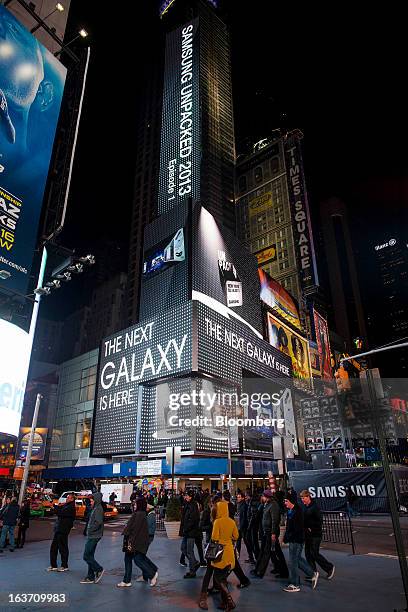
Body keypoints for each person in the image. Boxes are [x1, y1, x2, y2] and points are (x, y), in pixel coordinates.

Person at [117, 496, 158, 588]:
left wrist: (130, 541)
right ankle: (127, 580)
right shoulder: (142, 514)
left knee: (135, 560)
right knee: (133, 559)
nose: (134, 505)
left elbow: (134, 529)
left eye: (135, 504)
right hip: (136, 541)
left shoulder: (138, 514)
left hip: (133, 542)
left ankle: (151, 574)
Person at [282, 492, 318, 593]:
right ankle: (312, 574)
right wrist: (286, 537)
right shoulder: (291, 510)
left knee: (293, 562)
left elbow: (297, 529)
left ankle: (295, 584)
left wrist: (288, 537)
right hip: (294, 539)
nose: (285, 503)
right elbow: (289, 527)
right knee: (297, 560)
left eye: (286, 501)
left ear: (291, 501)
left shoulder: (297, 512)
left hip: (297, 540)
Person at [251, 490, 288, 579]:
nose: (262, 498)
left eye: (263, 496)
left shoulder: (273, 505)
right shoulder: (267, 504)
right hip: (267, 532)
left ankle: (260, 571)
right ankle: (282, 571)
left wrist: (273, 533)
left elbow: (275, 521)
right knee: (275, 552)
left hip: (270, 533)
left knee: (266, 552)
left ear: (266, 496)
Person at [300, 489, 335, 580]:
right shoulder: (305, 507)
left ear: (308, 497)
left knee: (314, 553)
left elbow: (319, 522)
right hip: (307, 535)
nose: (302, 500)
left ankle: (329, 567)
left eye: (303, 498)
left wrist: (311, 528)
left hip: (315, 535)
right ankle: (313, 573)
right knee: (308, 554)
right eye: (301, 498)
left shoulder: (315, 507)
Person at [211, 499, 239, 611]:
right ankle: (224, 603)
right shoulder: (232, 521)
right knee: (223, 578)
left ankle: (230, 602)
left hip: (220, 554)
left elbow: (214, 538)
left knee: (218, 578)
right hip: (229, 552)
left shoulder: (217, 522)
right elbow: (236, 536)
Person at [80, 493, 105, 584]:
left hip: (94, 536)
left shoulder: (98, 509)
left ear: (96, 500)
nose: (90, 502)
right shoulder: (95, 508)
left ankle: (99, 569)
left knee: (86, 556)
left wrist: (90, 530)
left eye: (92, 500)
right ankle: (90, 577)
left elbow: (98, 522)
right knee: (90, 556)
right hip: (93, 535)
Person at [47, 493, 76, 571]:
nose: (67, 499)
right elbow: (60, 510)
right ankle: (54, 565)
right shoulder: (67, 505)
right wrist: (55, 506)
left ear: (72, 499)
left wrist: (54, 508)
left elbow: (60, 513)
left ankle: (64, 565)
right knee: (54, 547)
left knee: (62, 548)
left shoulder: (71, 507)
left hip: (63, 529)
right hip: (59, 528)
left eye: (68, 498)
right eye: (67, 497)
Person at [179, 490, 201, 578]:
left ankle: (192, 571)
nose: (185, 497)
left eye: (187, 495)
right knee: (183, 548)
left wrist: (186, 528)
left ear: (191, 497)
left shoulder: (193, 506)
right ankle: (194, 563)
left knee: (189, 550)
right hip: (187, 531)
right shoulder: (187, 505)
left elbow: (193, 520)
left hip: (191, 532)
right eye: (185, 495)